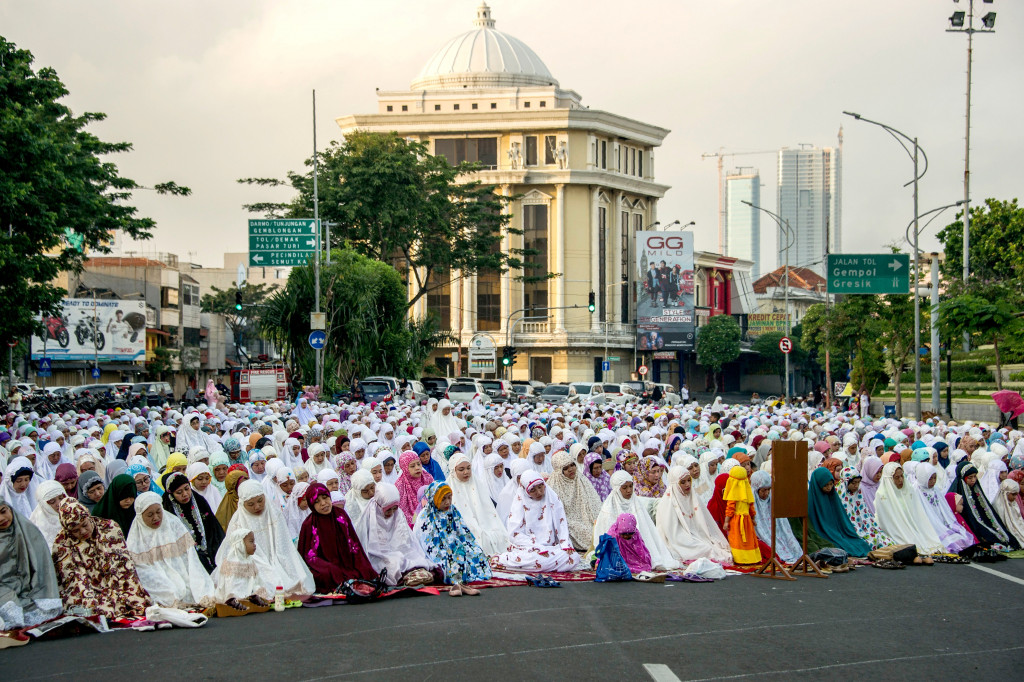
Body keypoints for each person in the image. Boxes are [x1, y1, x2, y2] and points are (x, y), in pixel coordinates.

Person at [51, 497, 150, 619]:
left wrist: (116, 593)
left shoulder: (109, 528)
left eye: (85, 525)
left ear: (89, 517)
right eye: (75, 530)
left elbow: (123, 566)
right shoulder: (62, 543)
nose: (82, 531)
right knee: (83, 607)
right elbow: (73, 580)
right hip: (87, 588)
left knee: (134, 599)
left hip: (116, 582)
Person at [216, 480, 315, 598]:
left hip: (277, 558)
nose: (257, 507)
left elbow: (284, 545)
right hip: (252, 560)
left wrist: (274, 562)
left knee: (295, 579)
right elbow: (236, 551)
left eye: (260, 501)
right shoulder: (238, 521)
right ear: (242, 504)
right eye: (250, 504)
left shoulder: (274, 513)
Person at [126, 491, 215, 608]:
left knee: (189, 588)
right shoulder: (136, 536)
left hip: (181, 572)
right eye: (150, 515)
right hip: (155, 577)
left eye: (159, 512)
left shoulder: (173, 523)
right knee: (170, 591)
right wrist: (163, 581)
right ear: (140, 516)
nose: (156, 517)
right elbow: (140, 569)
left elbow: (190, 558)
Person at [297, 483, 378, 593]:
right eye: (317, 502)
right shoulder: (309, 524)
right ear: (311, 505)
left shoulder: (340, 514)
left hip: (346, 561)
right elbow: (308, 556)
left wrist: (356, 562)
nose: (323, 503)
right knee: (324, 575)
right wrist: (327, 566)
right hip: (324, 565)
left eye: (325, 498)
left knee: (364, 569)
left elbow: (353, 543)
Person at [413, 481, 490, 596]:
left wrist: (462, 547)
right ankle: (458, 584)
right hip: (436, 550)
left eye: (450, 498)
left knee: (476, 555)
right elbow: (426, 542)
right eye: (443, 499)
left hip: (454, 545)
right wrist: (447, 550)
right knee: (449, 560)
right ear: (435, 499)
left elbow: (463, 532)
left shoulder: (452, 510)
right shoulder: (426, 515)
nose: (448, 502)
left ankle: (459, 584)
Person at [494, 471, 581, 572]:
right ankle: (502, 560)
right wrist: (537, 547)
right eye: (533, 490)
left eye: (540, 487)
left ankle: (544, 565)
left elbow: (561, 525)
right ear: (525, 490)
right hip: (530, 548)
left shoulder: (551, 497)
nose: (539, 492)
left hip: (552, 548)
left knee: (574, 557)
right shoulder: (520, 501)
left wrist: (565, 545)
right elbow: (515, 534)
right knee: (536, 560)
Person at [352, 482, 436, 587]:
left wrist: (400, 553)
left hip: (398, 550)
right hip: (379, 555)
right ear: (380, 505)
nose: (392, 512)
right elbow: (368, 545)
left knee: (412, 559)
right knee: (392, 563)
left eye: (394, 508)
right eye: (388, 510)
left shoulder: (398, 513)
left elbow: (406, 540)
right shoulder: (371, 515)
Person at [593, 471, 678, 570]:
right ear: (616, 489)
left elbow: (646, 531)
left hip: (638, 546)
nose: (629, 490)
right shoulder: (609, 507)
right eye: (624, 488)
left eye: (630, 486)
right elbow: (606, 533)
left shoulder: (636, 503)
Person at [0, 501, 62, 632]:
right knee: (11, 612)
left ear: (10, 509)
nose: (1, 519)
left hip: (29, 585)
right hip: (2, 587)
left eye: (3, 511)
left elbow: (42, 565)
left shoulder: (27, 530)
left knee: (44, 611)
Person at [655, 467, 733, 564]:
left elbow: (705, 523)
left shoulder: (694, 496)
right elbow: (673, 533)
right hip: (680, 540)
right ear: (675, 484)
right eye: (682, 482)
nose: (688, 484)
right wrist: (691, 539)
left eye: (689, 480)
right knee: (705, 549)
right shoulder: (667, 503)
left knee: (716, 546)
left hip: (698, 536)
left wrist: (701, 537)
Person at [445, 453, 508, 555]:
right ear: (453, 471)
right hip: (462, 528)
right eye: (461, 469)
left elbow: (489, 512)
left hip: (485, 524)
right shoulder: (448, 489)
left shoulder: (477, 483)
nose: (466, 472)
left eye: (468, 468)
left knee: (498, 536)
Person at [162, 471, 224, 573]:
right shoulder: (168, 511)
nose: (185, 494)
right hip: (187, 558)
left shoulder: (199, 502)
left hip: (211, 549)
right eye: (179, 492)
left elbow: (214, 529)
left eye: (187, 489)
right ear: (171, 494)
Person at [947, 462, 1019, 550]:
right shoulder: (957, 491)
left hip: (980, 522)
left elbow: (985, 509)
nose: (973, 480)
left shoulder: (976, 488)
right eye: (970, 478)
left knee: (1002, 535)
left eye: (975, 476)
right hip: (967, 525)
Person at [806, 468, 871, 557]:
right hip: (823, 533)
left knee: (860, 543)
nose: (829, 488)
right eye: (826, 485)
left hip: (838, 532)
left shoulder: (833, 495)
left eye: (831, 484)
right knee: (836, 546)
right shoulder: (811, 500)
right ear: (818, 484)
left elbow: (841, 518)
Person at [547, 451, 601, 552]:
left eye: (572, 465)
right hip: (567, 521)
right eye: (566, 468)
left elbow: (593, 501)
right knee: (584, 532)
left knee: (600, 529)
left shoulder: (580, 479)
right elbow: (555, 514)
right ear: (559, 471)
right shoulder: (553, 486)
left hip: (585, 517)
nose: (571, 469)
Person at [211, 527, 275, 613]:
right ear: (240, 544)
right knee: (234, 591)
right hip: (233, 592)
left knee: (258, 589)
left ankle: (251, 598)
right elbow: (230, 583)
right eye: (251, 542)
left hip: (248, 590)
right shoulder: (233, 561)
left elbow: (255, 579)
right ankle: (232, 601)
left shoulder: (250, 560)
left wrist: (257, 588)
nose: (254, 545)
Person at [749, 470, 803, 564]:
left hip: (777, 532)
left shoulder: (772, 499)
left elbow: (783, 524)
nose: (766, 493)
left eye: (768, 489)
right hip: (762, 536)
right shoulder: (751, 503)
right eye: (763, 490)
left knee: (793, 545)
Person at [836, 467, 895, 551]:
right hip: (848, 530)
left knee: (883, 539)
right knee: (866, 542)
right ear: (846, 482)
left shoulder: (857, 493)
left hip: (863, 528)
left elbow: (864, 513)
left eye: (858, 482)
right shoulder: (839, 494)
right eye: (853, 483)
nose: (856, 486)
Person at [721, 467, 761, 565]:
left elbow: (730, 508)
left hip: (736, 520)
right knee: (749, 539)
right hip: (747, 520)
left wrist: (726, 521)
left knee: (737, 540)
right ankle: (751, 558)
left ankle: (741, 559)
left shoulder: (733, 493)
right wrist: (753, 518)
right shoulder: (747, 492)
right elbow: (751, 507)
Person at [395, 450, 433, 527]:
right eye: (412, 466)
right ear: (405, 468)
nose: (417, 468)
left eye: (419, 464)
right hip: (409, 525)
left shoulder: (427, 478)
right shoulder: (400, 485)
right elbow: (400, 511)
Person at [992, 479, 1024, 548]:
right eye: (1013, 494)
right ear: (1005, 493)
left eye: (1016, 494)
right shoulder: (998, 505)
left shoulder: (1013, 503)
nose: (1015, 497)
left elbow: (1019, 520)